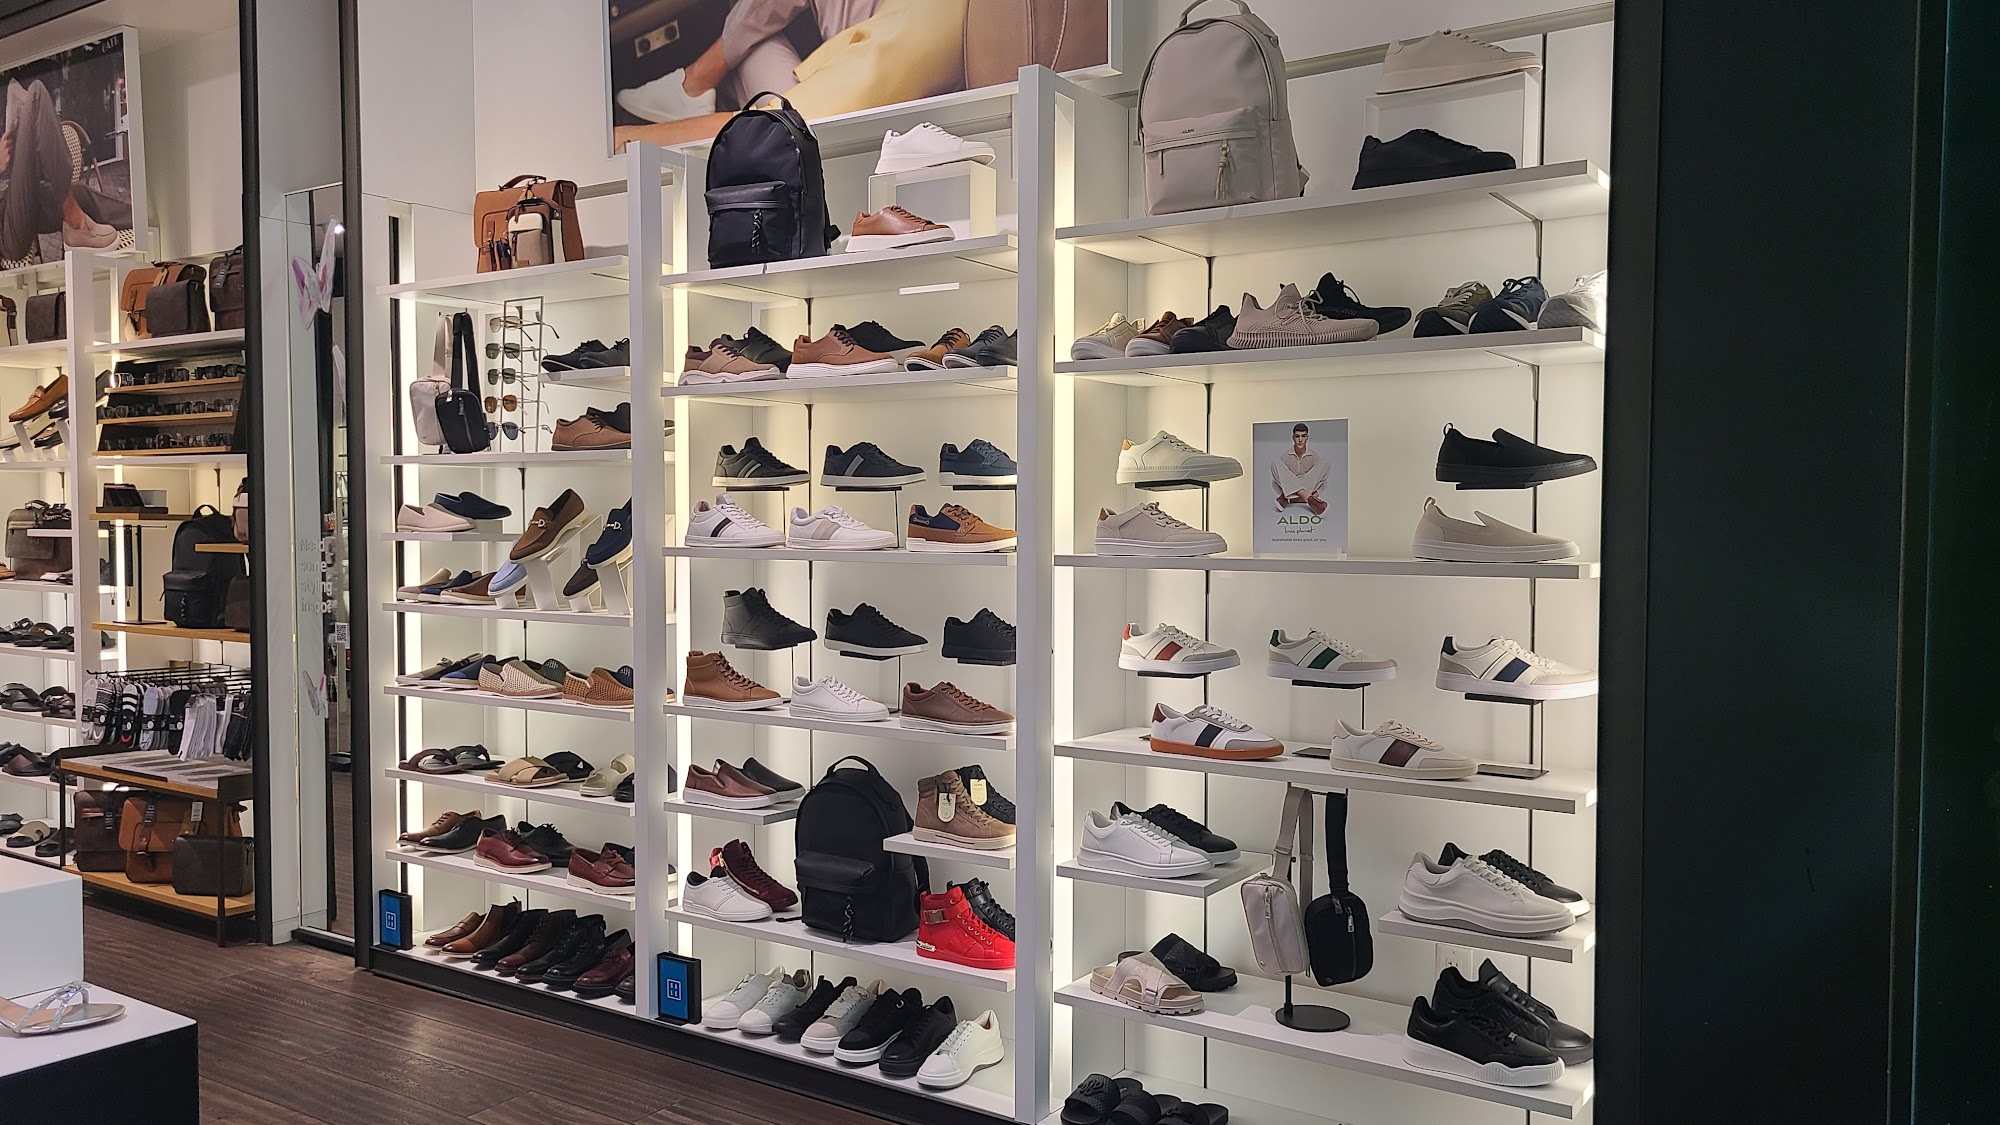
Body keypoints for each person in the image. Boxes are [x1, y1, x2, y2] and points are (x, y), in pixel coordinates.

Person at [615, 0, 969, 148]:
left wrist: (632, 140)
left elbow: (784, 123)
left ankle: (694, 84)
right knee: (754, 37)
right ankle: (695, 83)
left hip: (819, 131)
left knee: (752, 50)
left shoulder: (921, 31)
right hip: (857, 49)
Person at [0, 78, 117, 260]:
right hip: (4, 234)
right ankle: (75, 221)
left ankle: (142, 220)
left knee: (80, 193)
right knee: (36, 94)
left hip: (6, 203)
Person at [1270, 422, 1329, 515]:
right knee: (1275, 463)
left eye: (1303, 436)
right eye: (1297, 436)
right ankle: (1310, 499)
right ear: (1293, 437)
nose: (1300, 440)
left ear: (1307, 437)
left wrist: (1314, 494)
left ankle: (1287, 498)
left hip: (1305, 485)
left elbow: (1321, 481)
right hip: (1290, 483)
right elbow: (1278, 480)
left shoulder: (1314, 456)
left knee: (1325, 464)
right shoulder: (1285, 456)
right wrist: (1308, 495)